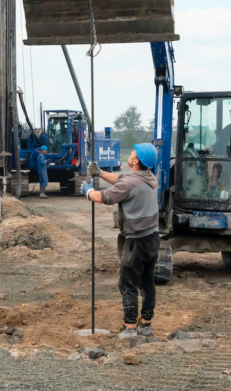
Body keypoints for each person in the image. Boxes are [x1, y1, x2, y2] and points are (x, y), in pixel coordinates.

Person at [81, 143, 159, 339]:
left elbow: (104, 197)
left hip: (137, 242)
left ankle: (130, 328)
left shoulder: (130, 184)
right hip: (153, 238)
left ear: (135, 161)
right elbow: (120, 179)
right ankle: (146, 325)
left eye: (133, 151)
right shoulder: (149, 177)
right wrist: (99, 173)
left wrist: (88, 192)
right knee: (147, 283)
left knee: (128, 283)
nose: (131, 151)